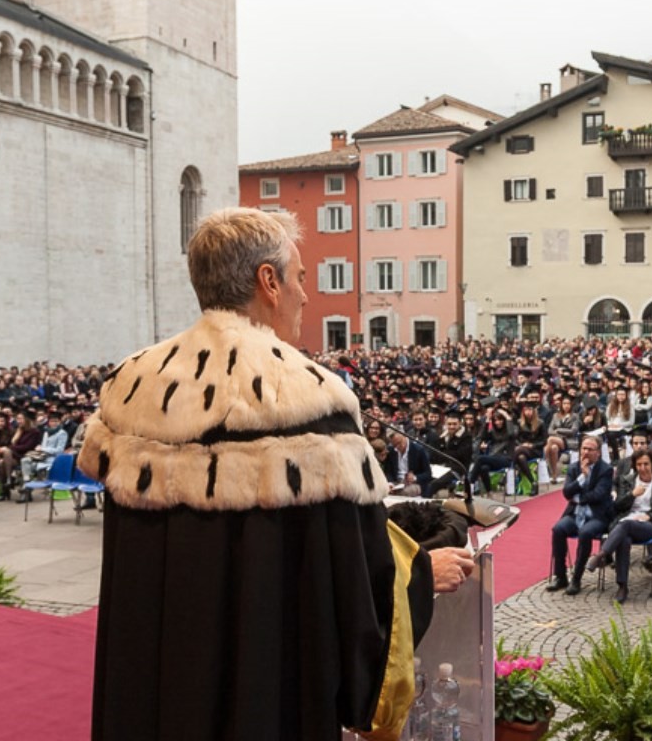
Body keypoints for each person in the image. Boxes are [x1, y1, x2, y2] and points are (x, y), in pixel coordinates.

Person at [76, 209, 473, 741]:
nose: (306, 296)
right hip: (268, 702)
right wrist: (419, 574)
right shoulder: (308, 401)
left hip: (153, 696)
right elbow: (357, 595)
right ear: (269, 281)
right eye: (301, 278)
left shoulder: (133, 391)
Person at [585, 448, 652, 604]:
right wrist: (632, 494)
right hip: (626, 522)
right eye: (639, 464)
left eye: (646, 464)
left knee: (625, 526)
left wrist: (650, 516)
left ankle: (601, 555)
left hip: (650, 525)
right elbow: (616, 507)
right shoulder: (627, 480)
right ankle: (622, 585)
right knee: (624, 539)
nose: (643, 468)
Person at [546, 435, 613, 596]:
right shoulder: (574, 468)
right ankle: (560, 576)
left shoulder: (606, 470)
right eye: (583, 448)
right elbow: (567, 492)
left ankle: (576, 578)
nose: (586, 452)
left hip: (596, 516)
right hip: (575, 514)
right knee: (558, 529)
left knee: (585, 533)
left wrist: (578, 498)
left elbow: (599, 495)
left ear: (598, 452)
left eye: (590, 449)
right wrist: (582, 477)